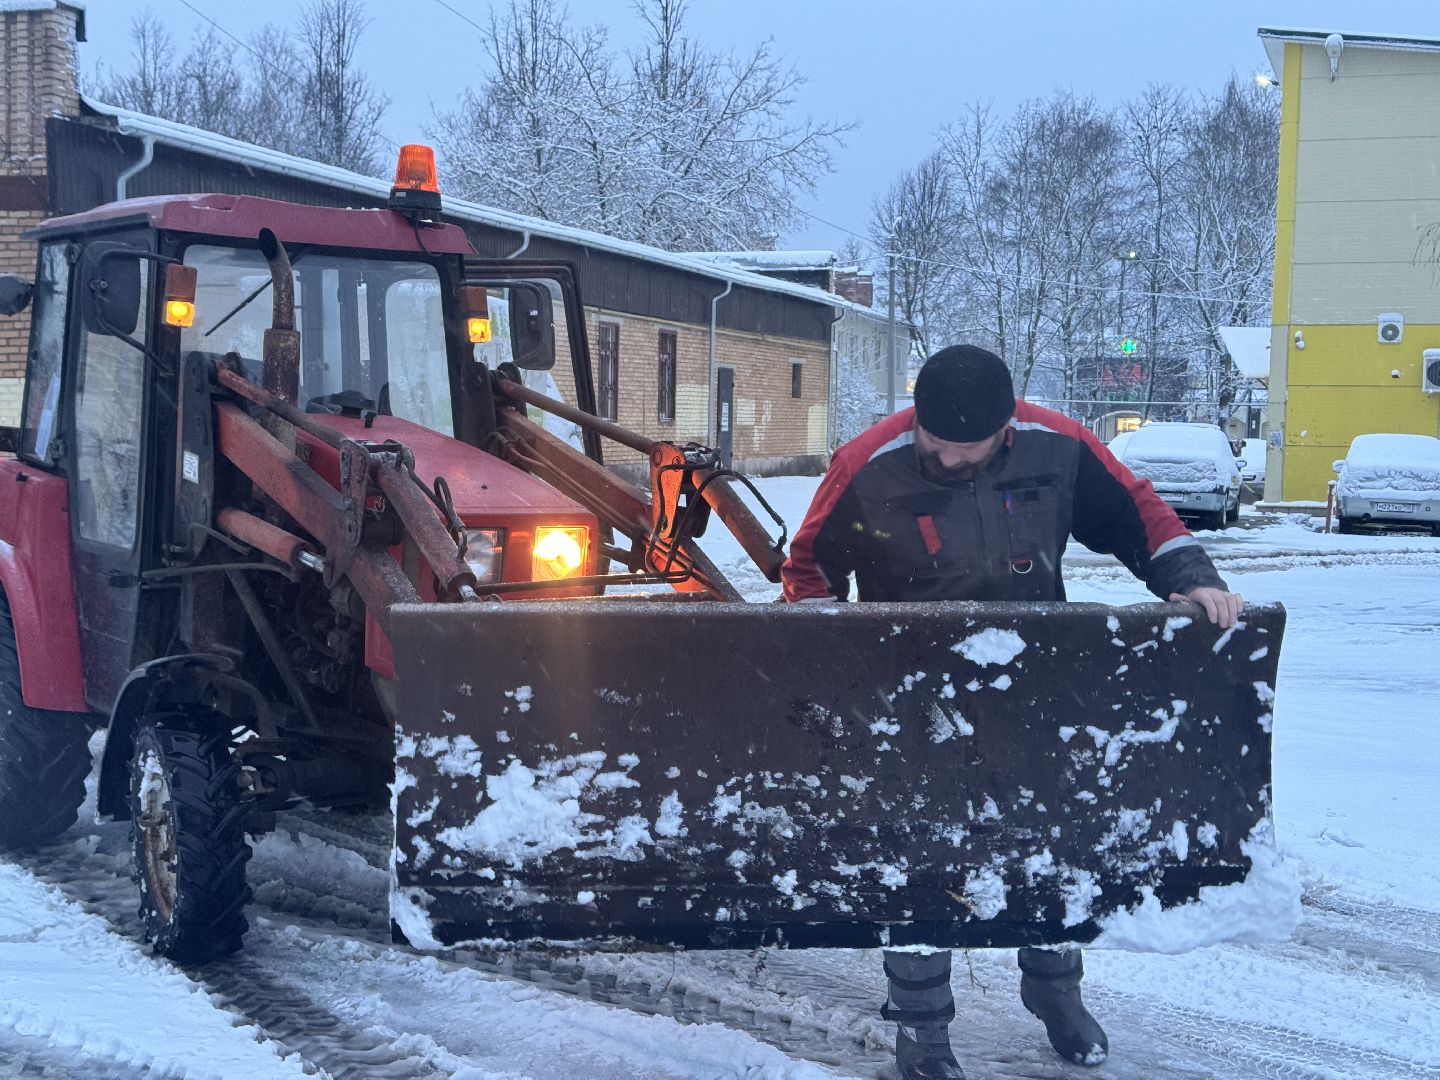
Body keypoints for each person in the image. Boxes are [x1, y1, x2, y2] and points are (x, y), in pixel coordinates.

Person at [780, 344, 1243, 1080]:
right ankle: (923, 1026)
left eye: (969, 450)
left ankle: (1054, 989)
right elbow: (808, 568)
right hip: (913, 693)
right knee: (921, 857)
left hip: (1034, 682)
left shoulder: (1059, 445)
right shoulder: (868, 463)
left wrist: (1191, 578)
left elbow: (1139, 515)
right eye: (937, 446)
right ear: (917, 421)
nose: (950, 460)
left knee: (1049, 843)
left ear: (1006, 429)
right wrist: (839, 658)